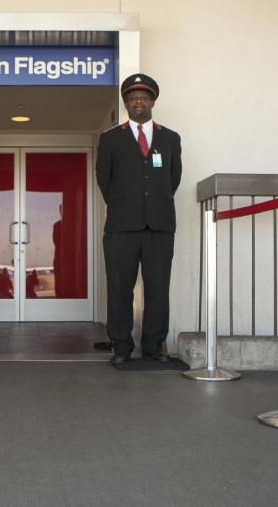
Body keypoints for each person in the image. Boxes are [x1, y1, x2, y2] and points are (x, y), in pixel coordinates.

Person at [96, 73, 181, 366]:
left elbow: (173, 179)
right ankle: (121, 346)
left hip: (159, 226)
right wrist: (126, 205)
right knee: (119, 288)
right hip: (121, 227)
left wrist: (152, 204)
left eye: (144, 98)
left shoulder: (170, 139)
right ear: (126, 104)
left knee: (158, 289)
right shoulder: (110, 139)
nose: (138, 103)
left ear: (152, 101)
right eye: (133, 99)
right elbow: (103, 180)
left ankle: (153, 346)